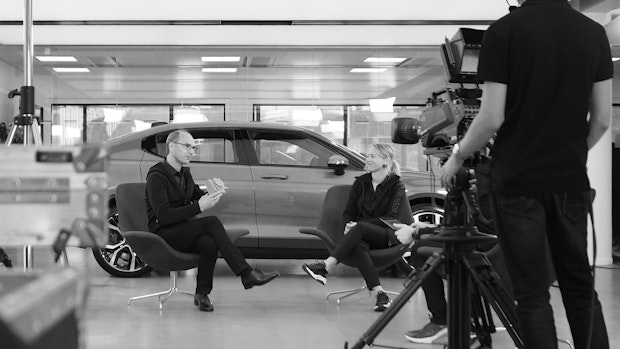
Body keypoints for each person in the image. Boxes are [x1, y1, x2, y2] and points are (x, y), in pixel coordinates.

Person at [439, 1, 613, 348]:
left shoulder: (504, 32)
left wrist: (457, 156)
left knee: (532, 294)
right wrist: (570, 156)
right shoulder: (593, 33)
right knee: (579, 287)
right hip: (569, 181)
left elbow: (491, 119)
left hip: (517, 182)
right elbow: (603, 120)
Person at [145, 129, 279, 312]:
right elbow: (164, 215)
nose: (192, 151)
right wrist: (198, 207)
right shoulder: (156, 176)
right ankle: (246, 273)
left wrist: (213, 190)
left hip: (181, 230)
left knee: (208, 243)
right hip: (163, 233)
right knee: (212, 222)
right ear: (171, 146)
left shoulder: (184, 174)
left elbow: (196, 195)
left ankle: (202, 294)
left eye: (194, 148)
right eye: (187, 146)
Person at [394, 164, 495, 344]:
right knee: (424, 247)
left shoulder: (481, 184)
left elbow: (479, 233)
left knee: (420, 250)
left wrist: (418, 234)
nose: (443, 167)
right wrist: (430, 228)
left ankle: (445, 321)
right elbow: (464, 227)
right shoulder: (480, 178)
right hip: (483, 248)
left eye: (445, 162)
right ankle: (450, 321)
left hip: (488, 257)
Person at [302, 143, 408, 312]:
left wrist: (357, 226)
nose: (368, 159)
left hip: (386, 234)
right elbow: (348, 212)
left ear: (385, 161)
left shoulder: (397, 186)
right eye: (368, 155)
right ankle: (380, 294)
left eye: (373, 156)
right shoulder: (361, 183)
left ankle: (326, 266)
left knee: (360, 229)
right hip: (360, 234)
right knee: (358, 245)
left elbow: (391, 217)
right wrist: (349, 224)